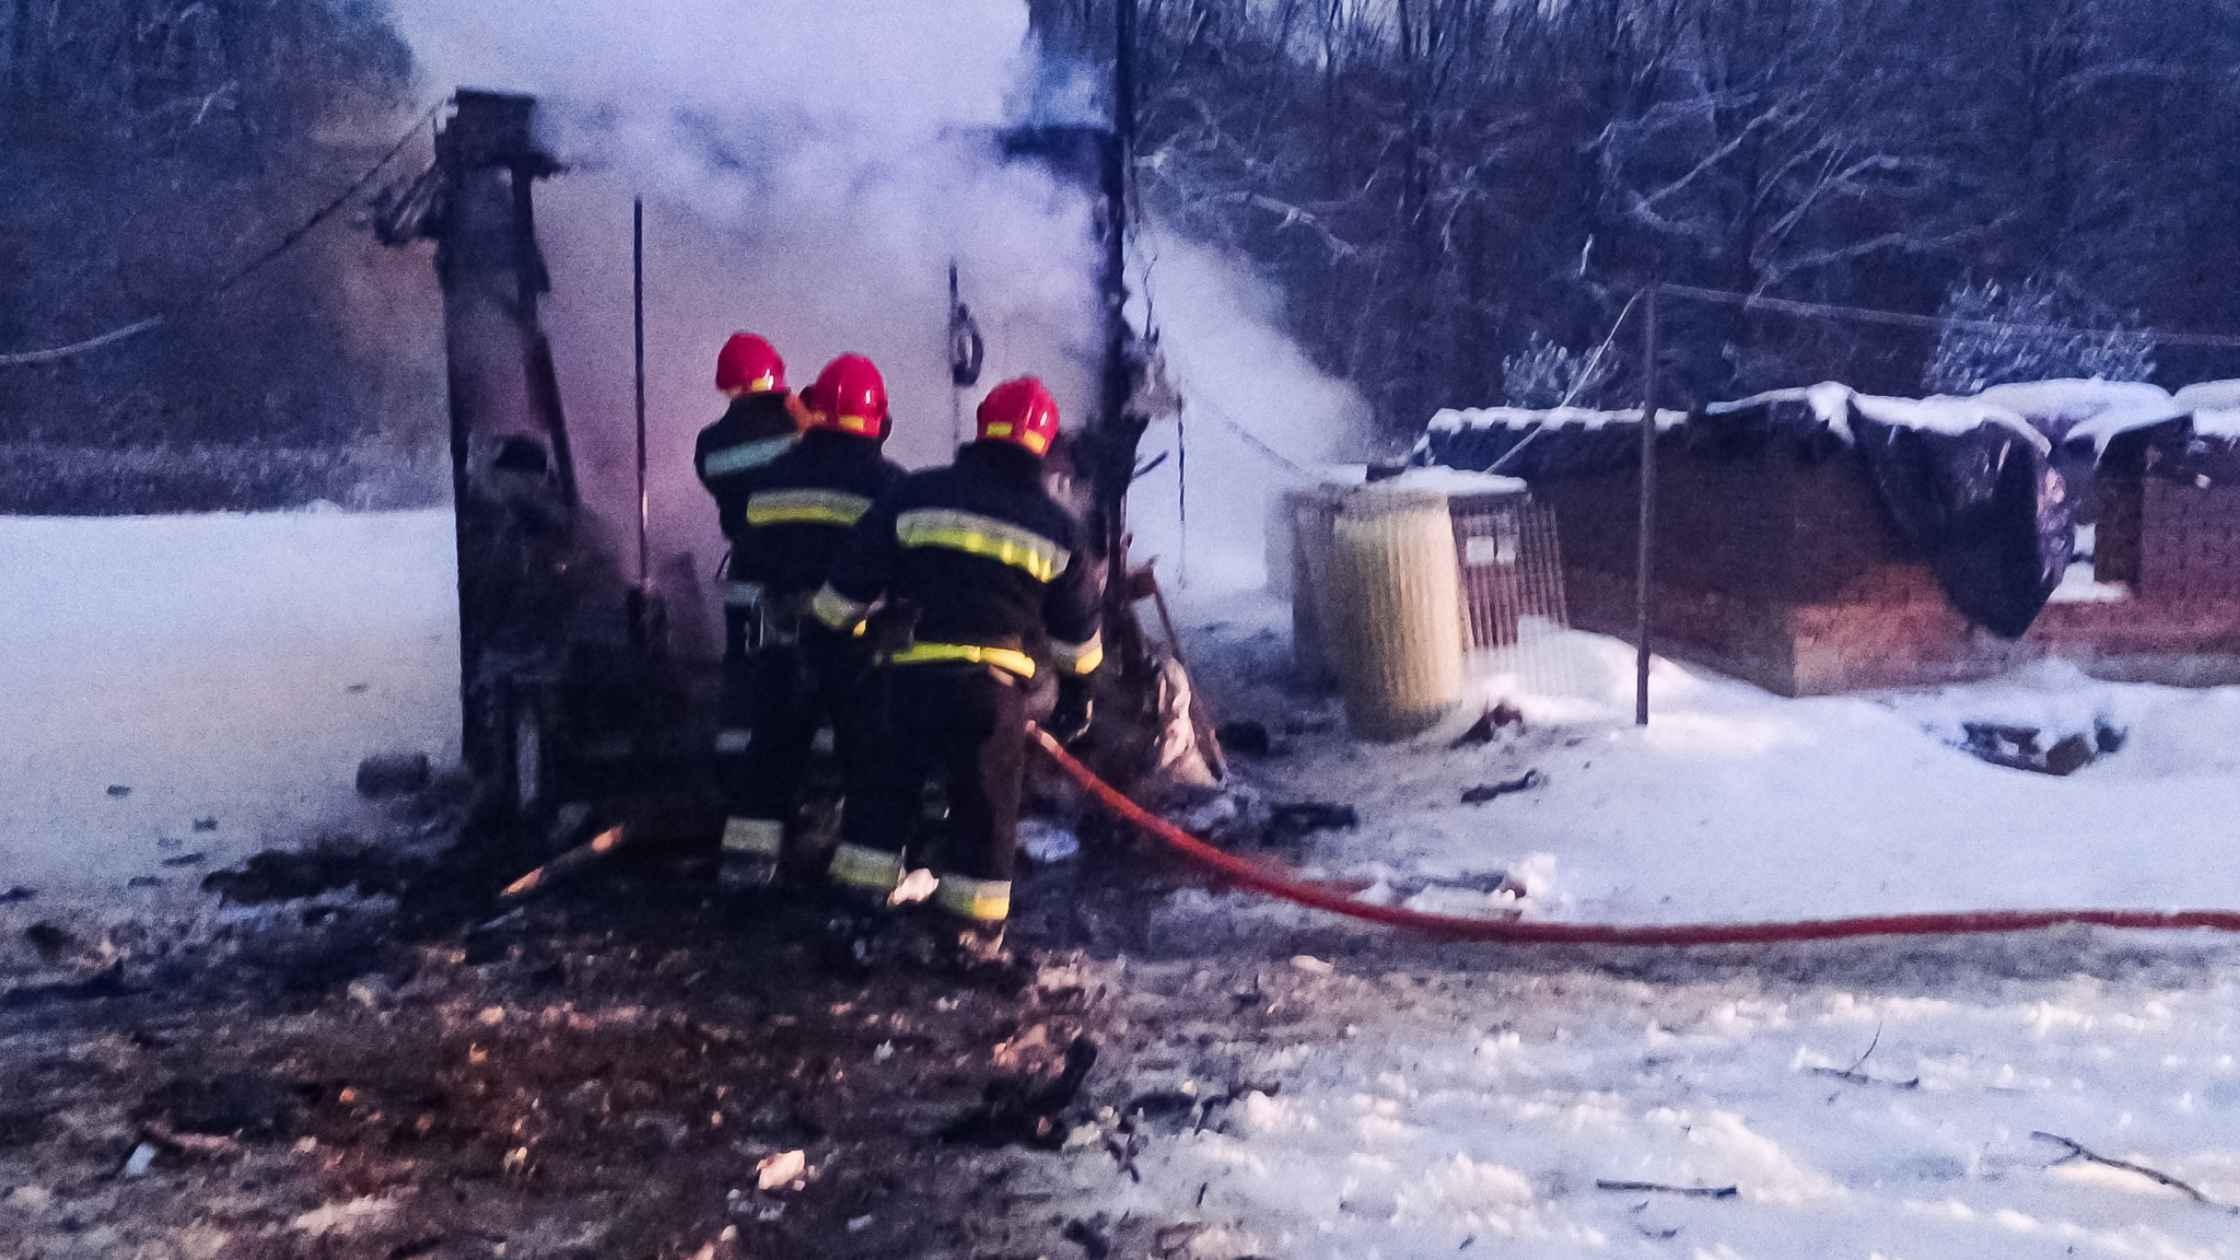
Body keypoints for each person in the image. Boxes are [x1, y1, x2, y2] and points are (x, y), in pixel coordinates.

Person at [808, 376, 1101, 950]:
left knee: (881, 798)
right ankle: (969, 938)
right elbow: (1079, 640)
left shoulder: (915, 495)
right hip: (991, 698)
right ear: (1043, 446)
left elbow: (845, 590)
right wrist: (1076, 699)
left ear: (981, 428)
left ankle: (855, 921)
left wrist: (830, 642)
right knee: (984, 816)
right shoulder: (1057, 528)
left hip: (907, 681)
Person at [719, 353, 908, 889]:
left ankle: (745, 872)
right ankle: (862, 886)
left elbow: (749, 562)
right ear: (879, 422)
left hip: (784, 641)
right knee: (869, 764)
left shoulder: (773, 478)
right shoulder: (890, 485)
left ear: (816, 411)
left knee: (771, 755)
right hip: (857, 648)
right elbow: (904, 571)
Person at [694, 333, 807, 765]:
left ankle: (736, 767)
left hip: (747, 579)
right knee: (795, 671)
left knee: (744, 671)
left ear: (729, 386)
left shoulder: (711, 444)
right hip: (796, 578)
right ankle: (805, 773)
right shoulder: (797, 430)